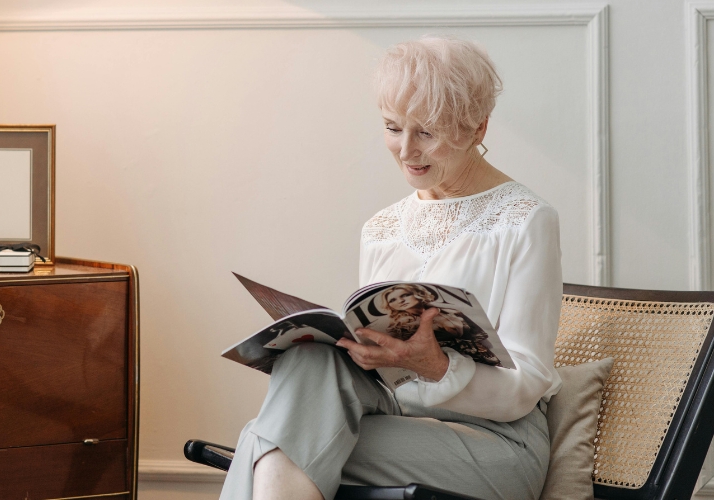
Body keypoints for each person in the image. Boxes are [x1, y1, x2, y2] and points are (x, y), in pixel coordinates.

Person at [219, 35, 563, 500]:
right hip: (396, 417)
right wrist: (368, 354)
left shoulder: (526, 220)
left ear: (478, 129)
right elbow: (386, 372)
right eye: (393, 127)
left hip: (497, 443)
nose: (405, 151)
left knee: (265, 440)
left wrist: (438, 368)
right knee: (306, 361)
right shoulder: (381, 228)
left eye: (427, 132)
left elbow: (527, 384)